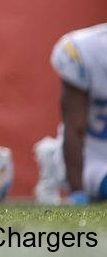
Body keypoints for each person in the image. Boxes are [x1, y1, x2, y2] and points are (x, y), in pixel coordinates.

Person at [35, 24, 107, 204]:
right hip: (94, 153)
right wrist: (78, 192)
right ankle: (58, 161)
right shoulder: (84, 52)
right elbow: (75, 127)